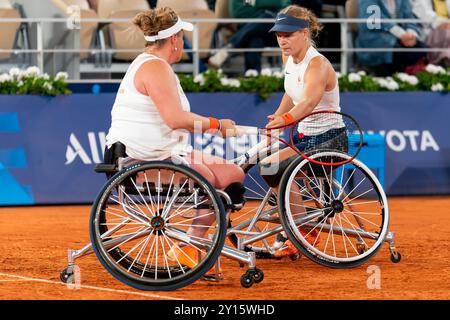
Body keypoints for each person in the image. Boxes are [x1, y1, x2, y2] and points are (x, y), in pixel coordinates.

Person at [105, 7, 245, 270]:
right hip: (140, 159)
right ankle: (188, 246)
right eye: (182, 37)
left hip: (160, 151)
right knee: (210, 181)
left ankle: (192, 245)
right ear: (174, 39)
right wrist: (217, 125)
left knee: (232, 173)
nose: (183, 43)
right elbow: (175, 119)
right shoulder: (156, 68)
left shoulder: (154, 64)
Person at [258, 5, 344, 258]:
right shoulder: (289, 58)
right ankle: (295, 223)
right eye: (279, 35)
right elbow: (291, 91)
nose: (282, 40)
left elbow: (307, 103)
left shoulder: (318, 65)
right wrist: (279, 114)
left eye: (288, 35)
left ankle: (304, 231)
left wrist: (284, 120)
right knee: (271, 168)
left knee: (272, 168)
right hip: (304, 139)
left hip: (330, 141)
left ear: (304, 33)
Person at [208, 0, 290, 72]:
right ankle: (252, 76)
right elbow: (238, 12)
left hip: (274, 32)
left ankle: (228, 49)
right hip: (249, 30)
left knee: (267, 17)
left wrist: (256, 3)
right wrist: (267, 9)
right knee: (254, 39)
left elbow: (286, 9)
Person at [355, 0, 427, 76]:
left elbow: (409, 17)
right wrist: (401, 34)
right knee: (399, 51)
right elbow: (374, 20)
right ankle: (395, 79)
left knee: (421, 48)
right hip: (374, 37)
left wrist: (410, 34)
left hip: (399, 37)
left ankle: (408, 81)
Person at [411, 0, 450, 68]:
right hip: (433, 31)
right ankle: (445, 59)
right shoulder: (421, 1)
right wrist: (441, 23)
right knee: (447, 33)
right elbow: (425, 16)